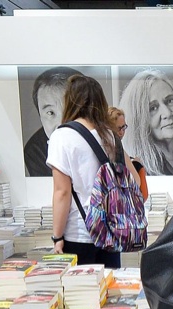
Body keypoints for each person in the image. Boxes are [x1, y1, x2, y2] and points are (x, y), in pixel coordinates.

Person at [47, 74, 134, 268]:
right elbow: (133, 180)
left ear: (70, 100)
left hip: (79, 232)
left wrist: (57, 237)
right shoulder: (110, 135)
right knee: (109, 285)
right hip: (111, 230)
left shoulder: (62, 136)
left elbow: (62, 192)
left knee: (81, 286)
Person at [119, 69, 173, 176]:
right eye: (153, 108)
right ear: (138, 121)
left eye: (170, 101)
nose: (167, 113)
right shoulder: (133, 171)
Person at [24, 67, 83, 177]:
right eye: (50, 113)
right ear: (40, 116)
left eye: (70, 111)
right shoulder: (35, 149)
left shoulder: (103, 140)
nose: (61, 124)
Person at [109, 105, 148, 197]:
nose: (121, 132)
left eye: (123, 127)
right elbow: (136, 182)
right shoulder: (117, 150)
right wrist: (136, 165)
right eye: (118, 128)